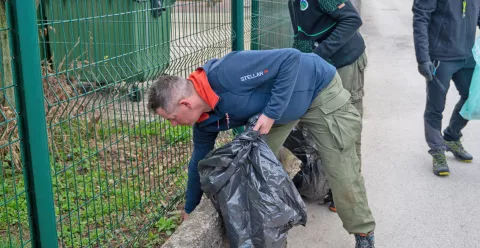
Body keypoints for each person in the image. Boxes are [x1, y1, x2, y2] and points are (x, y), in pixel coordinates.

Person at [148, 49, 376, 247]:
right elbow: (198, 161)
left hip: (317, 90)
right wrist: (190, 209)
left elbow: (291, 59)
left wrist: (270, 113)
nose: (174, 124)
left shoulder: (228, 72)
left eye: (172, 118)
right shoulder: (204, 122)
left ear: (185, 103)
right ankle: (272, 227)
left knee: (341, 170)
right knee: (251, 169)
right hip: (280, 110)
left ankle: (364, 233)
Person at [255, 0, 368, 212]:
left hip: (344, 62)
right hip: (321, 65)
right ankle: (326, 183)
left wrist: (319, 54)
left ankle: (347, 195)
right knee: (321, 124)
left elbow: (351, 20)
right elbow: (305, 31)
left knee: (345, 126)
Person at [412, 0, 479, 176]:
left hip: (467, 53)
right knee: (435, 108)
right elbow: (420, 20)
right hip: (440, 56)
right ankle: (437, 151)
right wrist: (423, 58)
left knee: (472, 99)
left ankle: (451, 136)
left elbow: (475, 6)